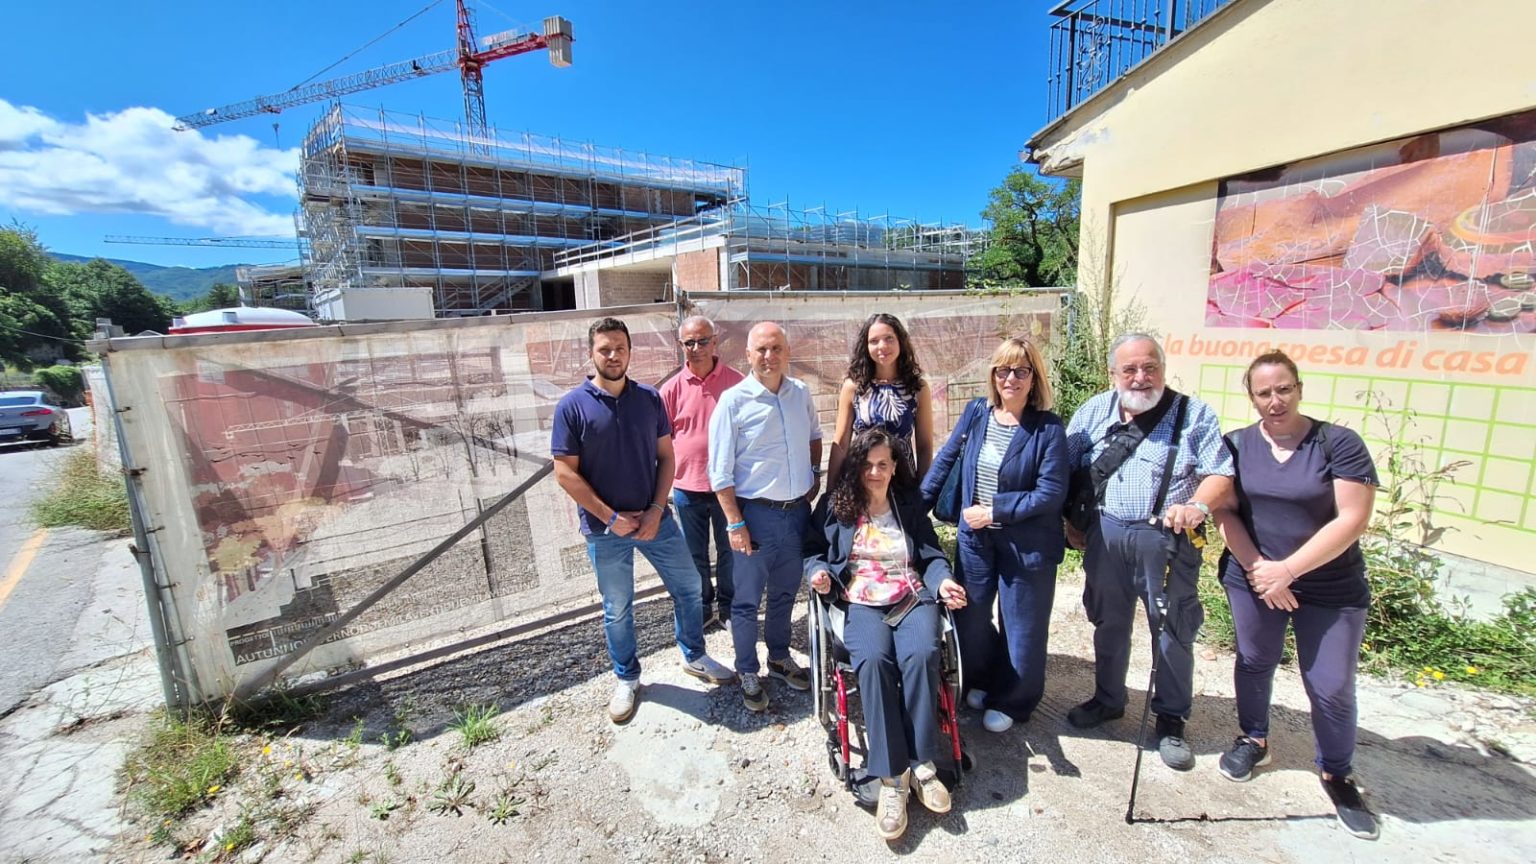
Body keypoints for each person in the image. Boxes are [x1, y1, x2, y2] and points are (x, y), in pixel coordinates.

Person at [1211, 350, 1381, 839]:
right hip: (1254, 577)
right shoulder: (1236, 445)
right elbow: (1225, 510)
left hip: (1330, 586)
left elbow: (1353, 518)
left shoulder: (1337, 443)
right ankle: (1254, 739)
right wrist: (1260, 570)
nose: (1275, 400)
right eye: (1264, 392)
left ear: (1299, 389)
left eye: (1283, 389)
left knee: (1330, 683)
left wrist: (1288, 570)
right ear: (1252, 397)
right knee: (1254, 660)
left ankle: (1336, 772)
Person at [551, 317, 735, 724]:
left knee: (689, 587)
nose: (613, 355)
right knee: (618, 607)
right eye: (604, 349)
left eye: (620, 347)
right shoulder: (571, 406)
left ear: (630, 351)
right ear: (591, 353)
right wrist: (610, 517)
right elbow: (564, 472)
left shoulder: (649, 399)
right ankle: (627, 678)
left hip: (656, 522)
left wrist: (654, 510)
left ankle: (694, 654)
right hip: (605, 530)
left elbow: (667, 457)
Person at [1062, 333, 1233, 770]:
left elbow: (1220, 473)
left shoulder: (1193, 415)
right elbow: (1065, 466)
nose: (1141, 377)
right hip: (1105, 534)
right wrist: (1070, 520)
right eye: (1130, 369)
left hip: (1166, 539)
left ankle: (1171, 719)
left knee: (1172, 628)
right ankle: (1108, 698)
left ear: (1163, 368)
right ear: (1113, 374)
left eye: (1150, 367)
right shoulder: (1093, 412)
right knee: (1108, 620)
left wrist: (1198, 506)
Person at [806, 428, 967, 841]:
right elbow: (812, 551)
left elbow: (930, 554)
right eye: (867, 464)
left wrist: (944, 581)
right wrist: (819, 573)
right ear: (856, 466)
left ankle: (922, 765)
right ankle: (892, 778)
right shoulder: (837, 505)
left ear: (895, 467)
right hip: (860, 599)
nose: (874, 472)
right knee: (874, 660)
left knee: (921, 654)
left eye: (883, 464)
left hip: (911, 596)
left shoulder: (908, 504)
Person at [921, 336, 1068, 734]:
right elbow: (946, 460)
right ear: (993, 375)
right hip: (975, 540)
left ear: (1034, 377)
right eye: (1003, 370)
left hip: (1027, 545)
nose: (1011, 378)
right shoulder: (977, 412)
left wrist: (995, 511)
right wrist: (911, 512)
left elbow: (1051, 492)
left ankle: (1014, 700)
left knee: (1022, 628)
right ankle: (985, 678)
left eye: (1021, 370)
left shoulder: (1048, 429)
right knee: (968, 616)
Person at [708, 321, 822, 711]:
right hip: (754, 517)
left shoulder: (800, 393)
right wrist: (735, 523)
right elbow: (719, 472)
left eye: (776, 348)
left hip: (796, 515)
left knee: (786, 593)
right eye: (761, 349)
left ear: (787, 352)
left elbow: (814, 436)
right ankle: (747, 671)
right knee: (746, 601)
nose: (769, 356)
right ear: (748, 355)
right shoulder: (733, 402)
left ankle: (778, 656)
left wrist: (814, 475)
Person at [659, 315, 744, 632]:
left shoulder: (736, 383)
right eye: (689, 343)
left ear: (715, 341)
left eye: (703, 341)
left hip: (728, 488)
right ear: (680, 345)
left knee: (730, 551)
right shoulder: (670, 390)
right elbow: (662, 441)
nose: (696, 348)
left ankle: (729, 608)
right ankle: (703, 607)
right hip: (686, 488)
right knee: (694, 555)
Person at [826, 313, 935, 483]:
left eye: (889, 338)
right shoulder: (853, 387)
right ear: (866, 346)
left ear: (901, 342)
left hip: (904, 484)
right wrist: (830, 490)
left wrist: (925, 491)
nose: (882, 346)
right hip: (863, 482)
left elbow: (924, 446)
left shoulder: (917, 388)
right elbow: (841, 443)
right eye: (874, 341)